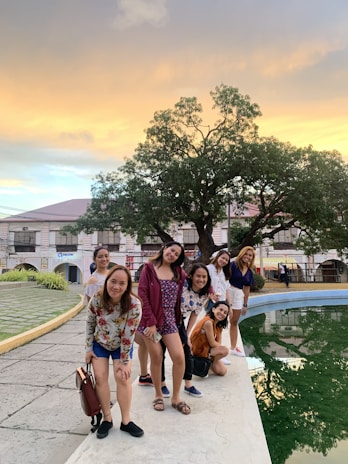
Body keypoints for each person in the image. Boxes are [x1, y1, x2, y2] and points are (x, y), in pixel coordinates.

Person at [85, 265, 144, 439]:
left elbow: (129, 334)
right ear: (107, 281)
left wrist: (125, 361)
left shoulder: (134, 304)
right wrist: (88, 348)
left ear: (127, 286)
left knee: (122, 377)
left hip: (121, 345)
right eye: (113, 281)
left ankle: (126, 421)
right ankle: (107, 418)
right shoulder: (97, 298)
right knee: (101, 377)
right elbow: (89, 323)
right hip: (99, 343)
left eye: (122, 283)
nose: (116, 287)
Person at [137, 241, 191, 415]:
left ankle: (176, 397)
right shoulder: (149, 268)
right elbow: (142, 295)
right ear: (164, 249)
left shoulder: (178, 272)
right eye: (171, 250)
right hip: (150, 320)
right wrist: (150, 322)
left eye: (177, 254)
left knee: (179, 357)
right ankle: (158, 394)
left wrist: (210, 290)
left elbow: (194, 285)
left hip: (169, 319)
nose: (173, 255)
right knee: (157, 356)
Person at [179, 263, 213, 398]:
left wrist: (186, 335)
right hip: (166, 319)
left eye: (204, 277)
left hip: (180, 322)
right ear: (191, 276)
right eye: (198, 276)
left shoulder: (203, 295)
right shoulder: (183, 286)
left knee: (186, 350)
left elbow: (194, 315)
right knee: (162, 352)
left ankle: (188, 385)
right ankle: (162, 384)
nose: (201, 279)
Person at [190, 301, 230, 376]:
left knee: (222, 371)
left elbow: (218, 343)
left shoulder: (219, 326)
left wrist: (219, 349)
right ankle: (199, 363)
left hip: (207, 350)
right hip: (197, 350)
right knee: (225, 350)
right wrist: (222, 349)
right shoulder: (208, 322)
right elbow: (213, 343)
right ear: (213, 309)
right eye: (220, 310)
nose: (222, 313)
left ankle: (207, 364)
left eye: (225, 312)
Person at [228, 246, 255, 357]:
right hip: (228, 291)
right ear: (242, 254)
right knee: (219, 320)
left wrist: (245, 304)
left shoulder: (249, 272)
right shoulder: (233, 265)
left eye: (250, 255)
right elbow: (224, 278)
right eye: (246, 254)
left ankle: (233, 348)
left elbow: (247, 288)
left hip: (239, 294)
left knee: (234, 322)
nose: (247, 257)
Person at [207, 250, 232, 365]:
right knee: (210, 326)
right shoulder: (209, 269)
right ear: (217, 257)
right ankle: (208, 351)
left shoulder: (224, 273)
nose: (224, 261)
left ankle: (219, 353)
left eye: (226, 260)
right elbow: (204, 284)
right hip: (211, 302)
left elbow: (226, 289)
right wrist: (210, 295)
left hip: (222, 303)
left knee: (220, 328)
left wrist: (229, 306)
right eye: (222, 258)